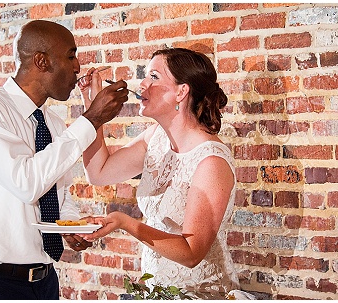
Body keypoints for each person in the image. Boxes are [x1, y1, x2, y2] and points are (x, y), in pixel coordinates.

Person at [0, 19, 129, 300]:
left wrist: (70, 225)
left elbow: (57, 191)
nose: (77, 67)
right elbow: (26, 183)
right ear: (41, 61)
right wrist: (92, 118)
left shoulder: (54, 124)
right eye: (71, 56)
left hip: (44, 280)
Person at [79, 48, 237, 299]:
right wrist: (92, 110)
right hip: (158, 292)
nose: (142, 84)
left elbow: (191, 252)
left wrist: (124, 222)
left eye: (153, 76)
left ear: (181, 91)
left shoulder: (211, 162)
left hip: (197, 294)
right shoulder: (155, 139)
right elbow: (98, 172)